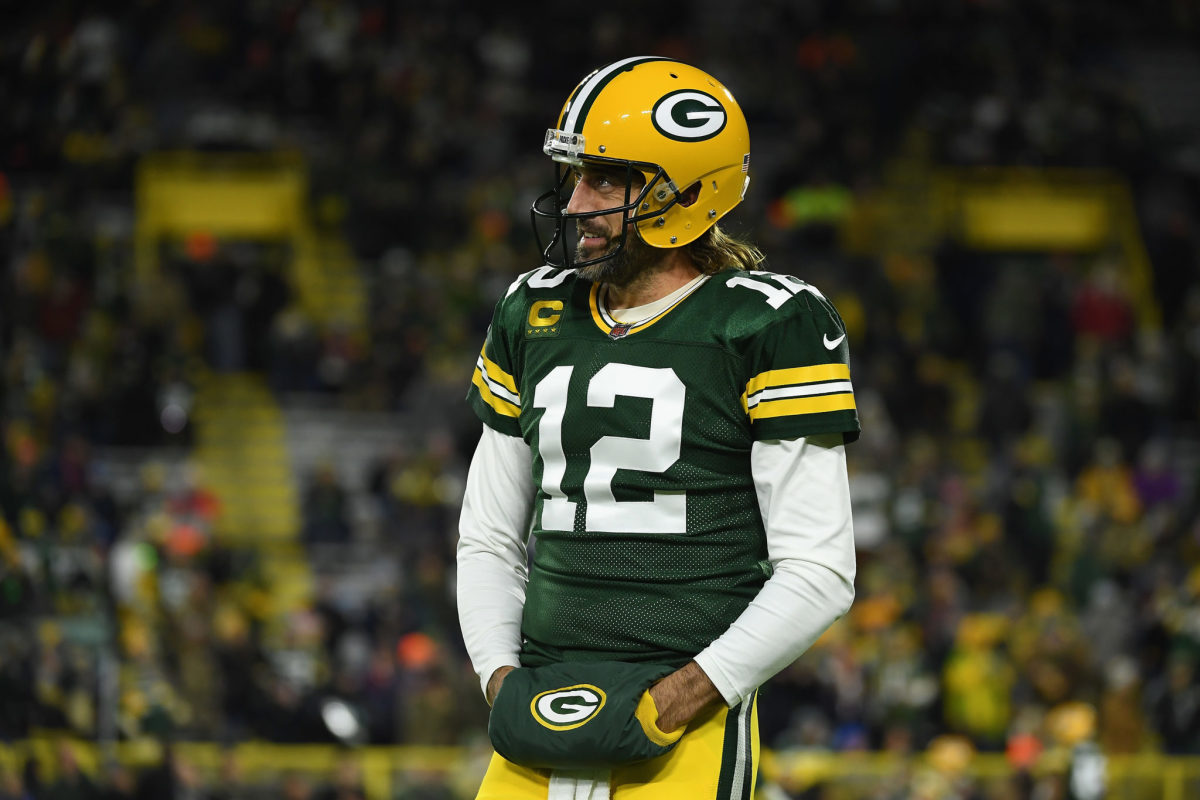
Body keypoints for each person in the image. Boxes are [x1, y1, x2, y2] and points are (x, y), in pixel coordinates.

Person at [457, 56, 859, 799]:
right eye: (576, 176)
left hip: (682, 730)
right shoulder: (533, 310)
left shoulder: (766, 321)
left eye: (605, 179)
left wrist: (674, 701)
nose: (576, 201)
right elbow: (487, 537)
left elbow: (820, 572)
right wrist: (500, 682)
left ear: (684, 189)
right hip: (535, 718)